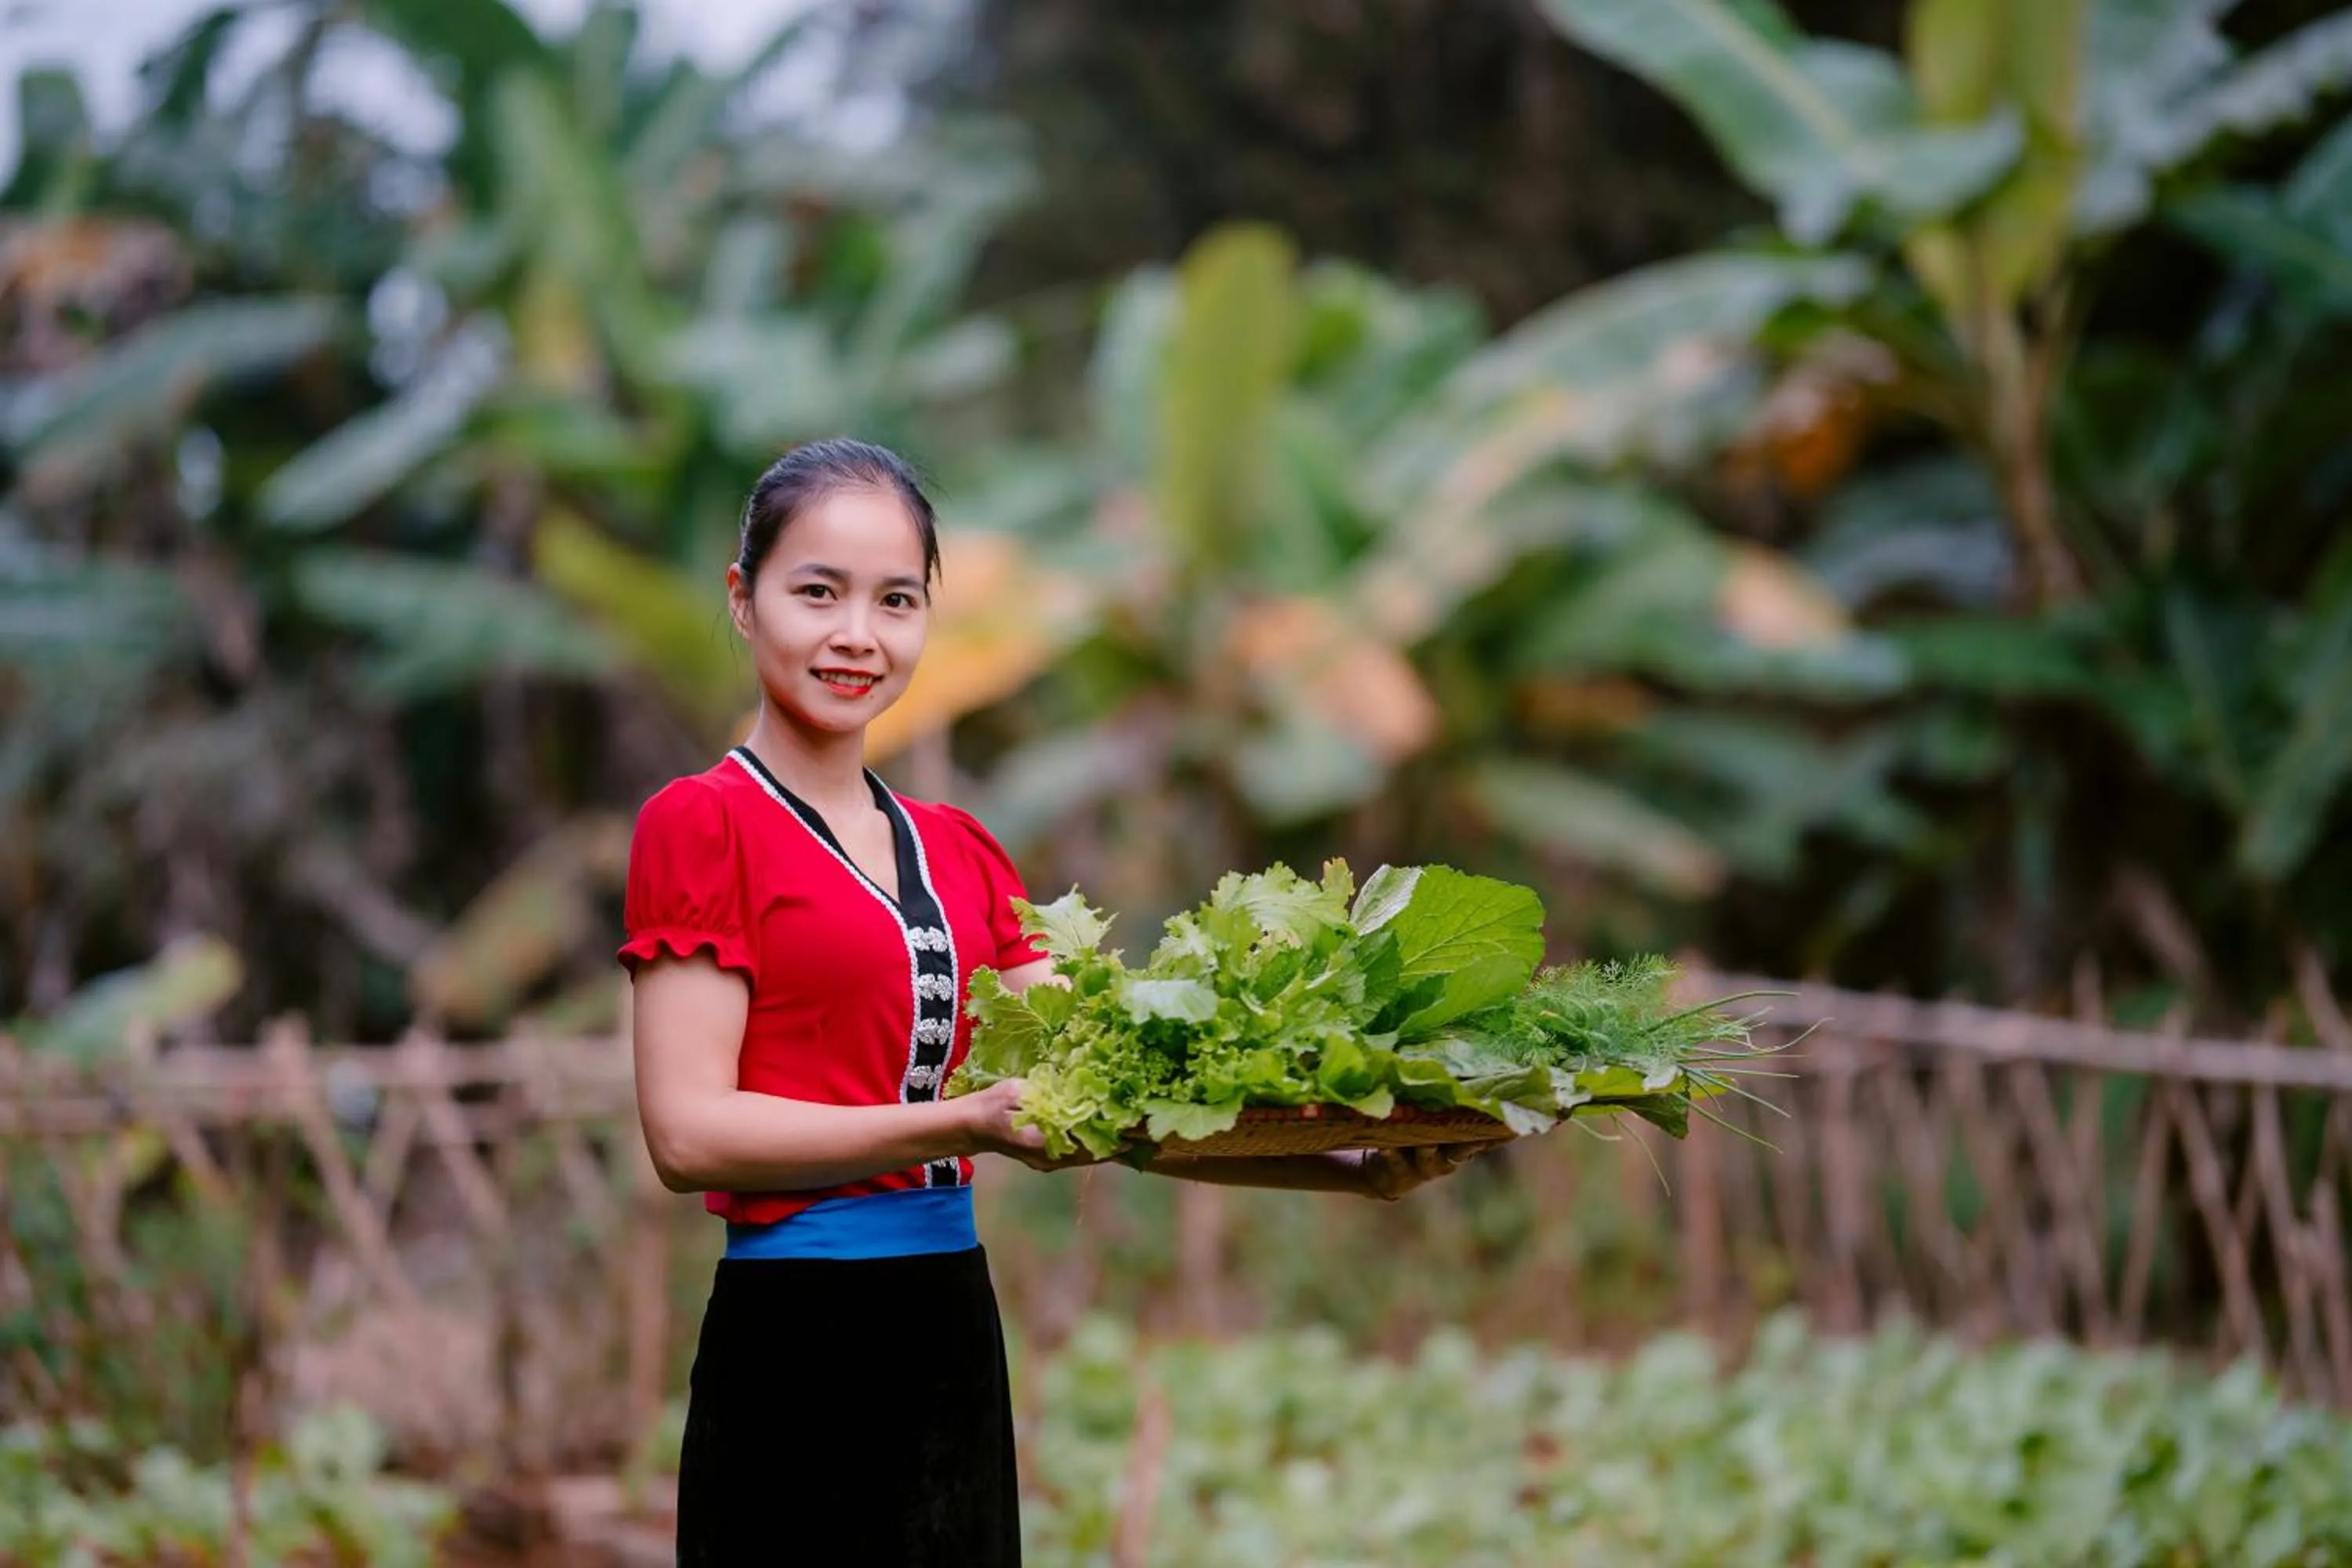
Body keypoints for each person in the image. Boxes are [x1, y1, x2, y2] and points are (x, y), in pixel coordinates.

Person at [620, 437, 1481, 1566]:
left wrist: (1343, 1168)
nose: (856, 636)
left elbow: (1119, 1096)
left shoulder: (963, 853)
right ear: (744, 600)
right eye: (816, 592)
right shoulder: (702, 825)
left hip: (946, 1334)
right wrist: (963, 1123)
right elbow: (689, 1134)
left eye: (896, 601)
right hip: (796, 1344)